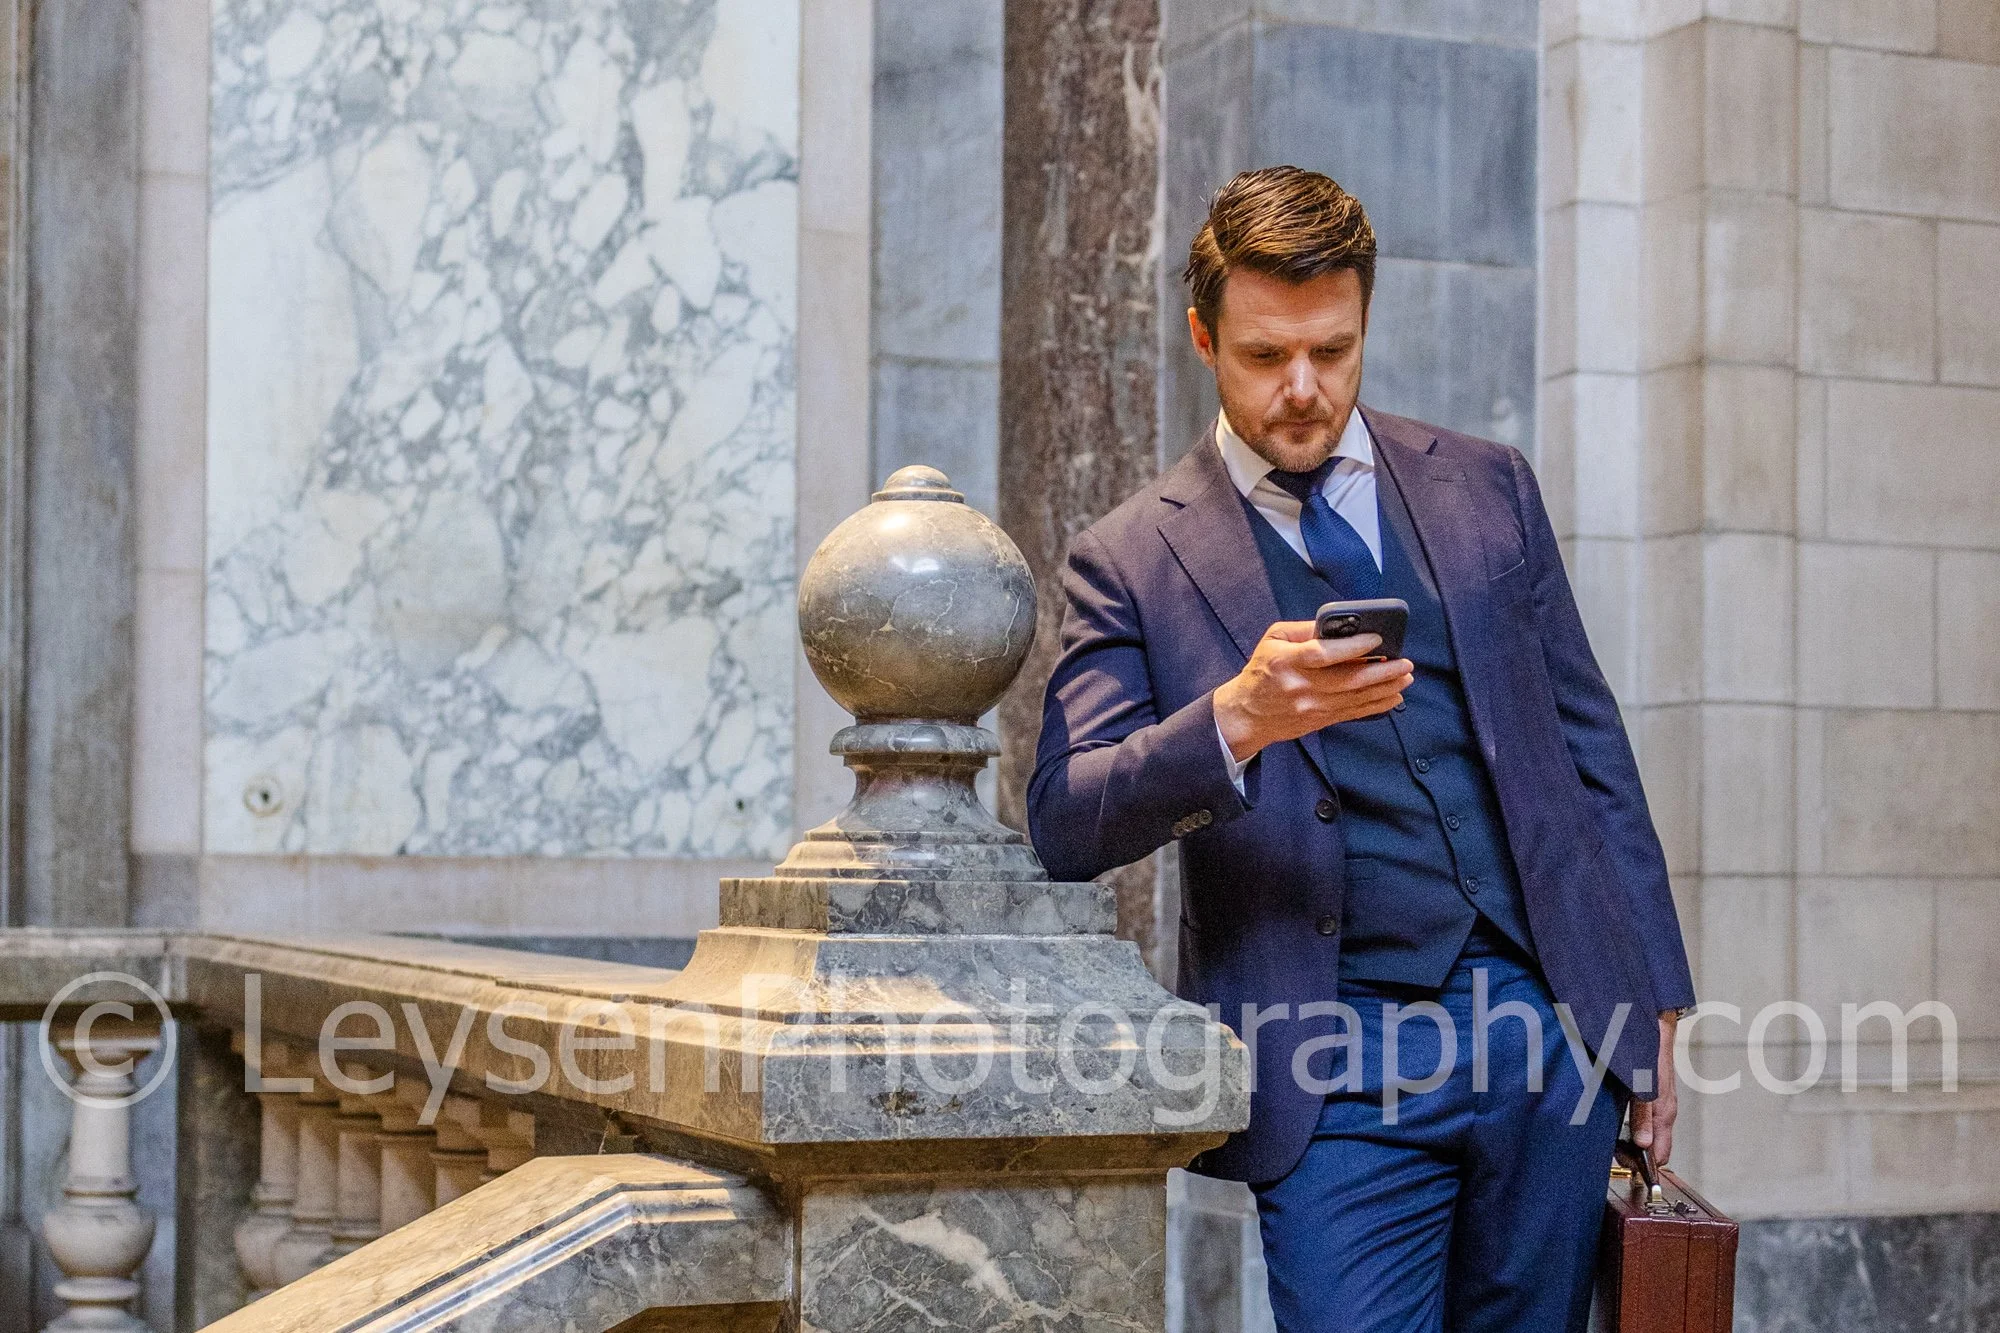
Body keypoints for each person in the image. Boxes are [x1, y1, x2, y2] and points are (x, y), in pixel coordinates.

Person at [1025, 166, 1696, 1333]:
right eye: (1264, 355)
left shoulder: (1486, 487)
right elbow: (1063, 817)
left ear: (1363, 324)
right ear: (1202, 336)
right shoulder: (1126, 556)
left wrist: (1650, 1009)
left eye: (1330, 352)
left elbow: (1589, 748)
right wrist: (1235, 718)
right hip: (1328, 1054)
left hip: (1544, 1034)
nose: (1301, 389)